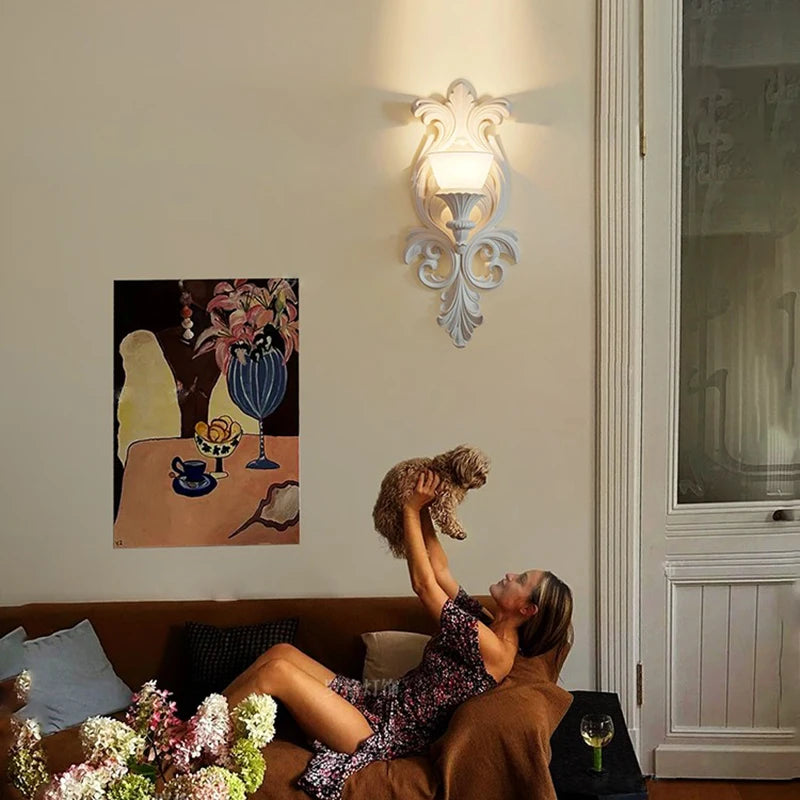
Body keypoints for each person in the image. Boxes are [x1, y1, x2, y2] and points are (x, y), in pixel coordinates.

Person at [223, 470, 573, 800]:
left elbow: (424, 586)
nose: (511, 574)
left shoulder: (494, 651)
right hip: (376, 703)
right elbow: (438, 570)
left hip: (381, 734)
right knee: (282, 652)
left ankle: (190, 741)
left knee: (276, 674)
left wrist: (409, 508)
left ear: (528, 610)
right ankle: (199, 725)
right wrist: (425, 510)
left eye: (522, 579)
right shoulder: (482, 621)